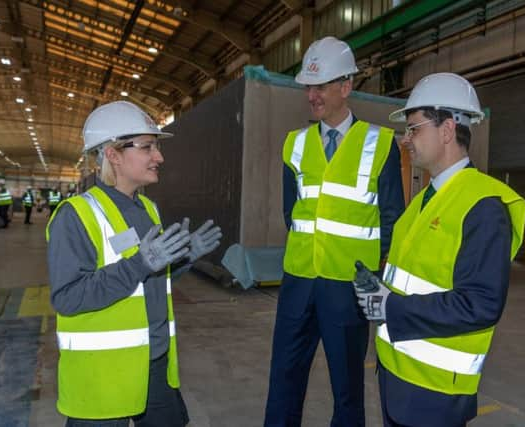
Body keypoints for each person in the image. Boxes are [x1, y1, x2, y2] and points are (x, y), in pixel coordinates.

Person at [352, 72, 525, 427]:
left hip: (433, 396)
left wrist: (391, 306)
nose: (406, 139)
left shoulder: (483, 207)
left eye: (414, 128)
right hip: (397, 380)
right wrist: (379, 288)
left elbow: (480, 305)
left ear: (447, 130)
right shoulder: (425, 202)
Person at [46, 101, 222, 427]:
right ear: (113, 154)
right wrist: (140, 263)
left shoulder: (148, 210)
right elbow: (68, 297)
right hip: (103, 375)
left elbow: (149, 280)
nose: (159, 157)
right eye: (148, 147)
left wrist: (184, 258)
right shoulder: (76, 216)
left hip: (154, 363)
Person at [264, 36, 405, 427]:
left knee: (347, 389)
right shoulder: (295, 144)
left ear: (346, 87)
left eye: (320, 86)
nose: (312, 95)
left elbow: (393, 217)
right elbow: (290, 212)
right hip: (297, 280)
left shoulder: (380, 144)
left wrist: (376, 277)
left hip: (348, 284)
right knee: (283, 380)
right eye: (308, 86)